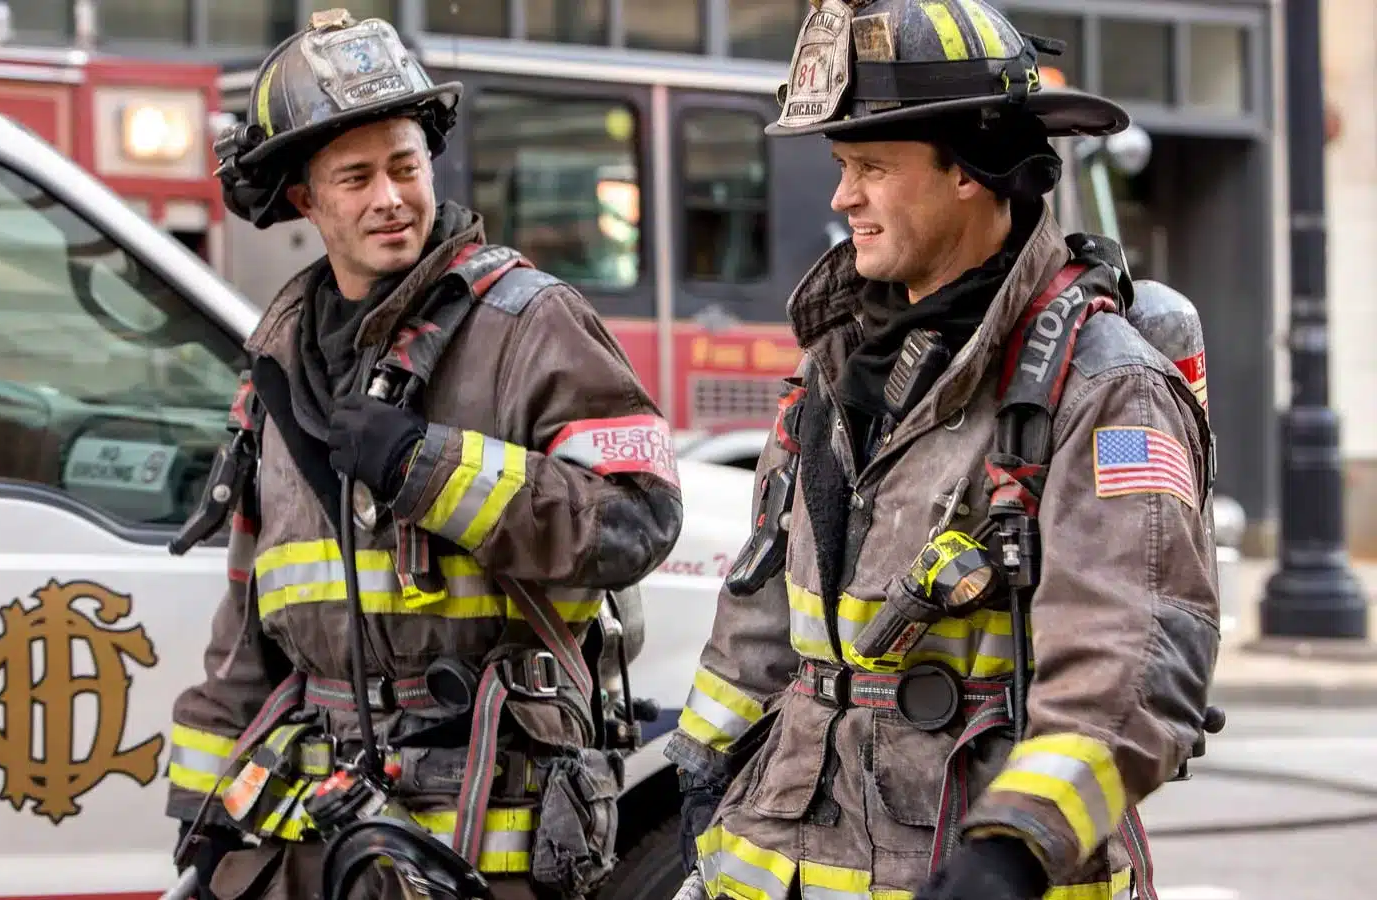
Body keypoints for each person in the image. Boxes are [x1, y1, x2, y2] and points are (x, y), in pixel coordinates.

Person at [665, 1, 1221, 899]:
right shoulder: (834, 367)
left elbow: (1135, 657)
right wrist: (699, 765)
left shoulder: (1104, 385)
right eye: (843, 167)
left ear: (970, 170)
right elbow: (766, 600)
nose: (843, 198)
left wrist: (1014, 849)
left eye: (873, 168)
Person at [161, 9, 683, 900]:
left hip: (493, 836)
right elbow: (248, 623)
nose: (390, 197)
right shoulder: (279, 368)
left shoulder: (530, 323)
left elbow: (638, 518)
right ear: (306, 201)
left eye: (405, 167)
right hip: (323, 837)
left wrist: (425, 468)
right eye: (356, 177)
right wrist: (203, 813)